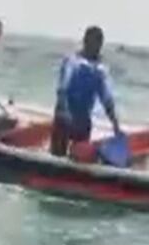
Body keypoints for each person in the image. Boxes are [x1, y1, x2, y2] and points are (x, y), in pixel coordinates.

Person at [50, 25, 122, 157]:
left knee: (79, 158)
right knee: (57, 156)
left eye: (99, 44)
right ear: (85, 42)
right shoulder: (72, 62)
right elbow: (62, 90)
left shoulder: (100, 70)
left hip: (82, 122)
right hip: (64, 119)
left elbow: (107, 99)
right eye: (93, 43)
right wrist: (64, 113)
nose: (96, 48)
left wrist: (115, 124)